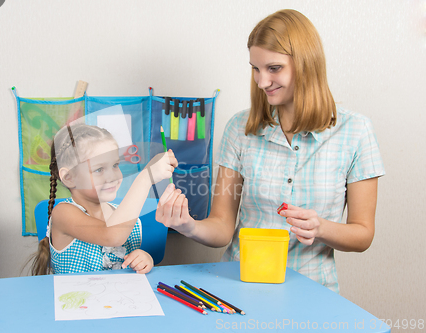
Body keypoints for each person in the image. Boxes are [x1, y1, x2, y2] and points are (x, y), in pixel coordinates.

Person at [155, 9, 385, 293]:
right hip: (240, 286)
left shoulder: (356, 131)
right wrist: (188, 225)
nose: (262, 82)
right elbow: (222, 226)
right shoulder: (239, 128)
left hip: (314, 291)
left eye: (273, 68)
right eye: (255, 68)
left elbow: (362, 235)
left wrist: (321, 228)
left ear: (306, 64)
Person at [31, 122, 177, 275]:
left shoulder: (124, 215)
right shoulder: (63, 213)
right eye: (99, 169)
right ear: (69, 178)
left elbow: (128, 266)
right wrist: (145, 178)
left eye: (115, 165)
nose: (113, 176)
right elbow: (112, 236)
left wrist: (144, 259)